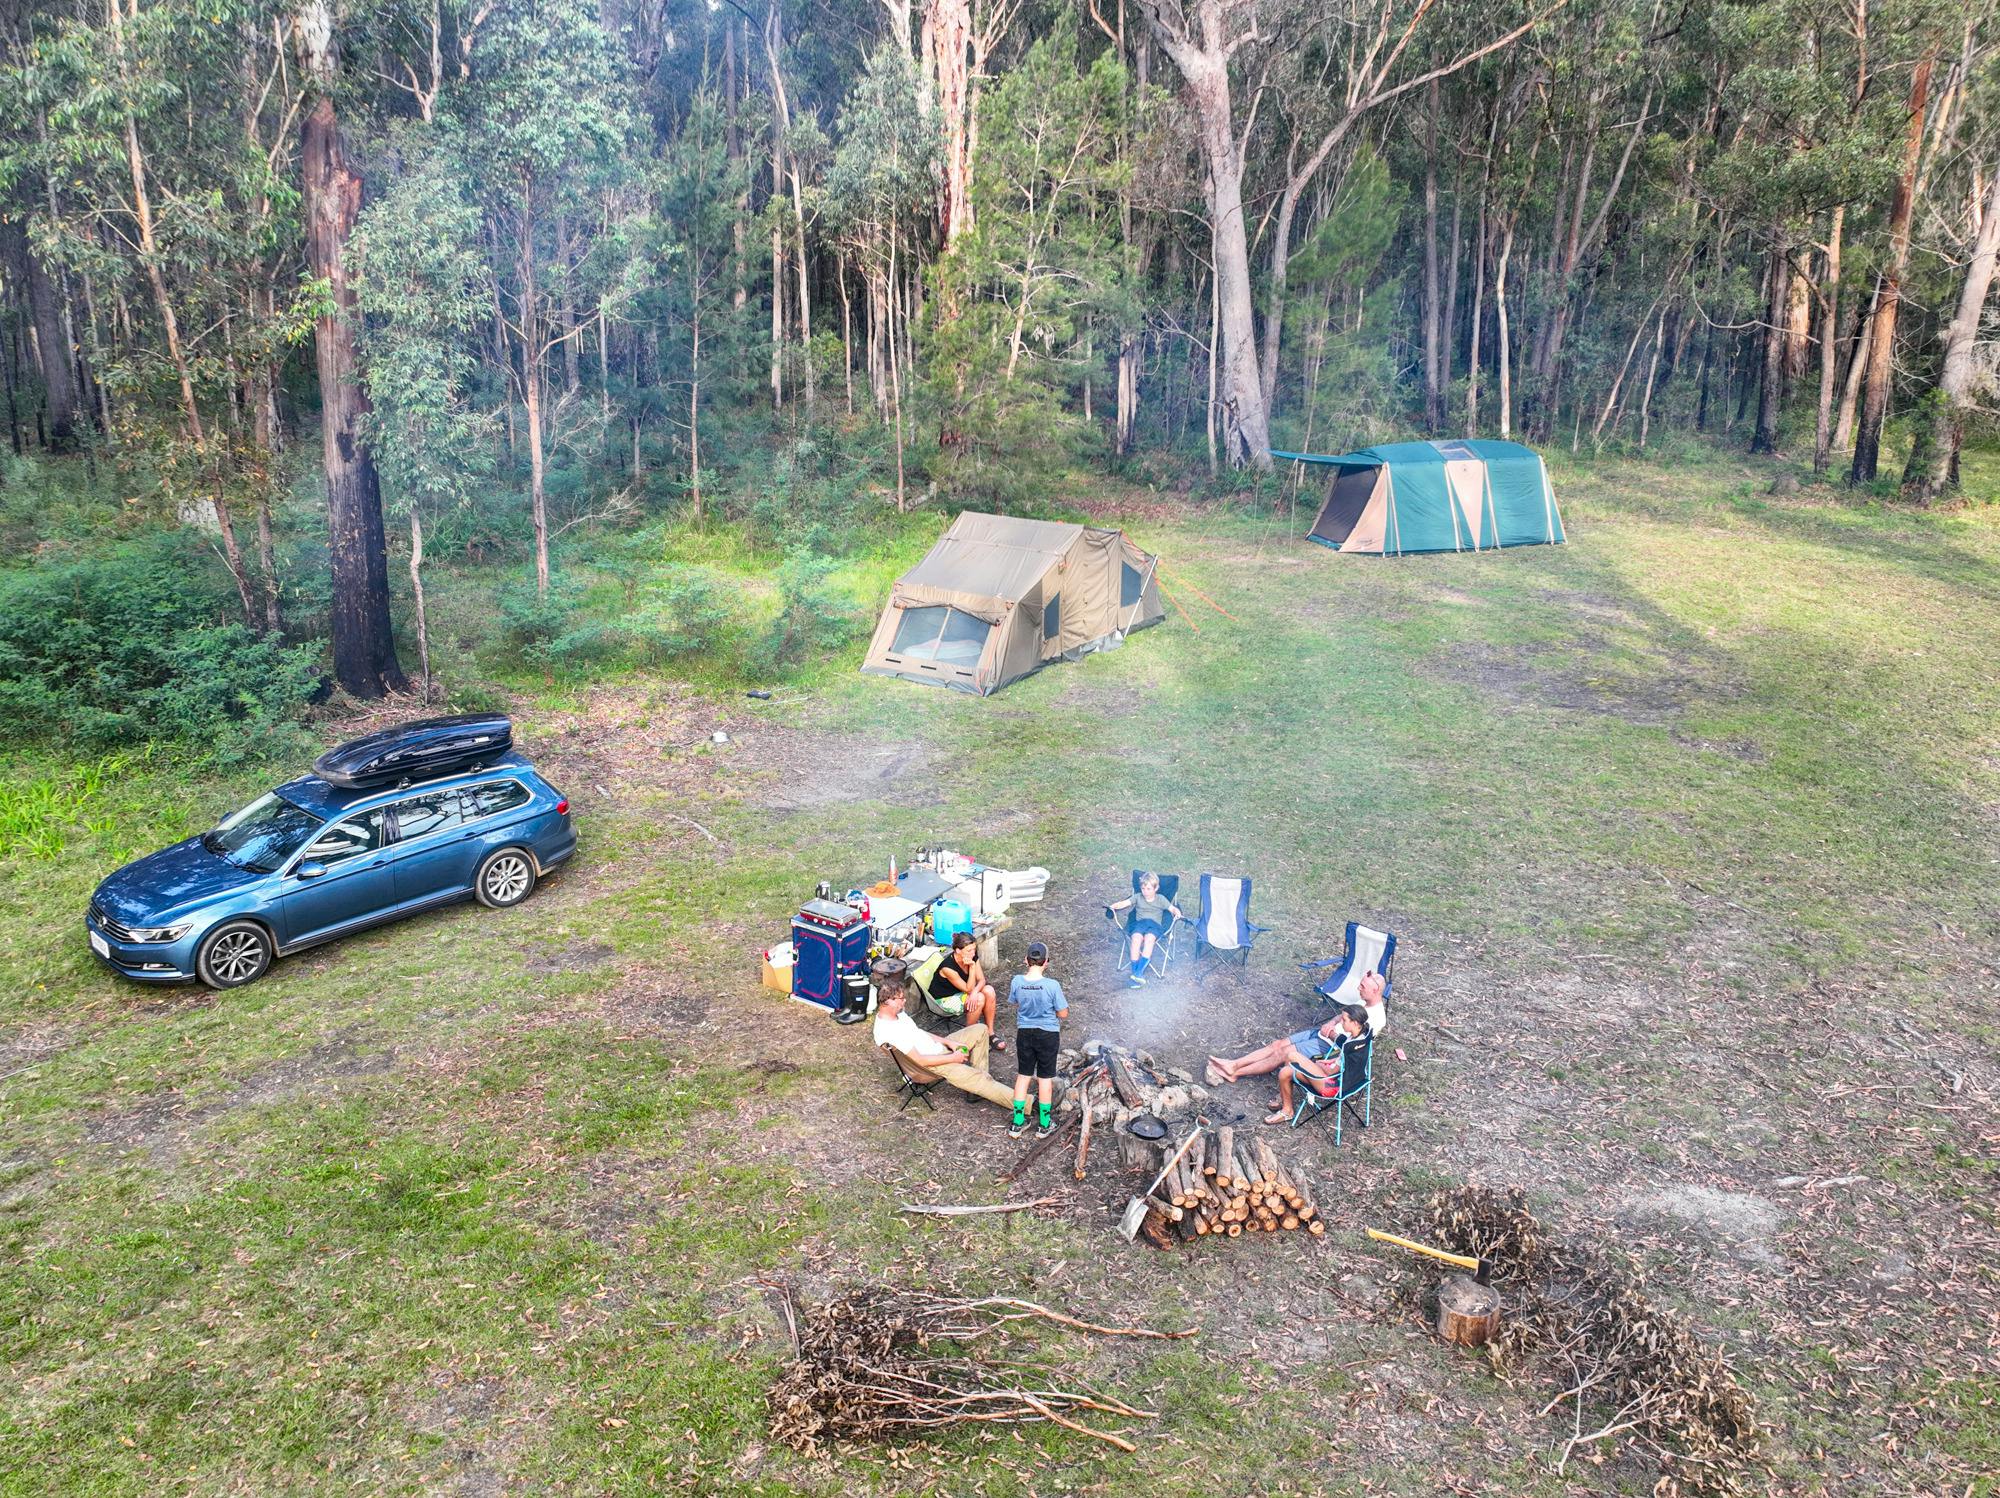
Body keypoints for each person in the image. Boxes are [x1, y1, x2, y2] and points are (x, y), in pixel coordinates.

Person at [871, 980, 1016, 1111]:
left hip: (938, 1049)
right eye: (901, 998)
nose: (905, 1000)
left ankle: (976, 1090)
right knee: (980, 1078)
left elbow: (919, 1033)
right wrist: (953, 1058)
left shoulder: (898, 1014)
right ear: (889, 1001)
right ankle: (1024, 1103)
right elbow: (921, 1061)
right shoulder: (890, 1031)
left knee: (981, 1030)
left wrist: (949, 1042)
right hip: (932, 1065)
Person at [1267, 1004, 1370, 1125]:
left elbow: (1331, 1071)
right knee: (1285, 1072)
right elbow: (1344, 1059)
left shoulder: (1351, 1046)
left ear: (1355, 1023)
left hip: (1333, 1087)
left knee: (1292, 1055)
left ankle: (1283, 1100)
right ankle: (1287, 1111)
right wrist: (1328, 1061)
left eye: (1344, 1020)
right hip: (1346, 1081)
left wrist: (1316, 1063)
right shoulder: (1361, 1037)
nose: (1341, 1022)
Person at [1006, 942, 1069, 1139]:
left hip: (1024, 1033)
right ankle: (1044, 1124)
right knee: (1044, 1079)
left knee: (1023, 1075)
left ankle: (1017, 1123)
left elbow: (1015, 1002)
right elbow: (1063, 1013)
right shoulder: (1052, 985)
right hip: (1048, 1035)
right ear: (1046, 962)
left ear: (1026, 960)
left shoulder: (1017, 981)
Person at [1106, 871, 1182, 987]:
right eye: (1143, 888)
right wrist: (1113, 906)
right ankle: (1136, 973)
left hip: (1154, 926)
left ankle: (1138, 973)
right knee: (1136, 939)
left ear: (1156, 888)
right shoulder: (1138, 897)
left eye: (1148, 889)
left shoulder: (1161, 899)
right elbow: (1124, 903)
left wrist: (1177, 912)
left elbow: (1172, 908)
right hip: (1139, 924)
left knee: (1149, 939)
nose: (1145, 892)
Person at [928, 929, 1002, 1048]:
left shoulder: (972, 956)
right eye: (969, 950)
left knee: (989, 990)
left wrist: (974, 992)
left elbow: (982, 980)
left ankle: (990, 1032)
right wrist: (972, 968)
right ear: (958, 950)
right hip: (944, 999)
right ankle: (968, 1037)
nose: (973, 953)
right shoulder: (948, 968)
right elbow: (968, 989)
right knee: (979, 999)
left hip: (962, 991)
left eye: (974, 949)